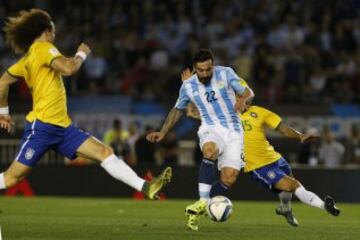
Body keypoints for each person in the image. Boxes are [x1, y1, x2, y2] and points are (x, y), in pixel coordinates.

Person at [0, 9, 171, 200]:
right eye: (54, 30)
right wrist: (81, 54)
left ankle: (146, 187)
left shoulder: (28, 58)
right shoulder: (43, 48)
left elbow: (3, 81)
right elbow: (68, 68)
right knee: (11, 178)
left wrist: (4, 112)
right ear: (47, 30)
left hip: (63, 128)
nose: (55, 35)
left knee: (104, 152)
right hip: (42, 127)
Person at [185, 76, 341, 229]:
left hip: (274, 157)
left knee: (289, 187)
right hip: (258, 166)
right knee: (293, 185)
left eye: (243, 96)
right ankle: (323, 205)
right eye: (237, 96)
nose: (241, 99)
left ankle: (285, 208)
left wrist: (300, 136)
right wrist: (195, 110)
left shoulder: (259, 112)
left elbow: (283, 129)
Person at [147, 49, 254, 231]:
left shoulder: (226, 73)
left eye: (208, 69)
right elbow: (177, 109)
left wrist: (243, 99)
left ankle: (200, 209)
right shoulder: (188, 85)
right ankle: (203, 201)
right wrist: (163, 132)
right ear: (195, 69)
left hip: (235, 132)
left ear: (213, 65)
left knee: (229, 179)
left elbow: (248, 92)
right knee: (209, 151)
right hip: (211, 128)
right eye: (201, 70)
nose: (205, 73)